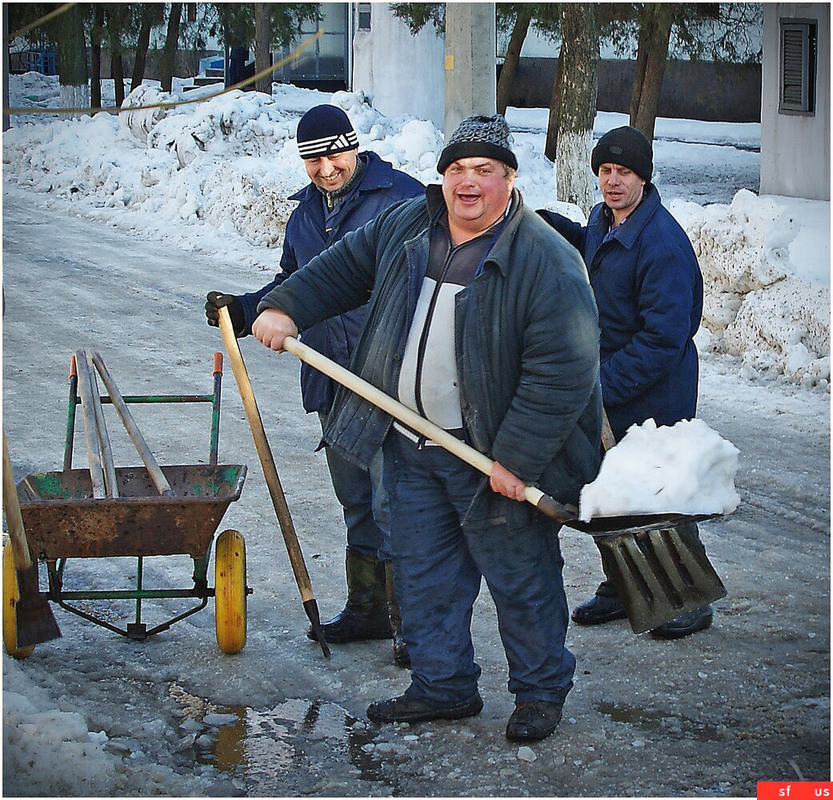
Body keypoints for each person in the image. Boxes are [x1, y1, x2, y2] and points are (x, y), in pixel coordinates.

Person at [249, 114, 603, 743]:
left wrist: (516, 457)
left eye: (484, 171)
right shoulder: (410, 222)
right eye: (457, 169)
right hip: (410, 439)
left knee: (520, 576)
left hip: (486, 451)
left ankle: (539, 692)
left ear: (510, 178)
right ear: (442, 176)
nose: (468, 183)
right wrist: (284, 306)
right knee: (422, 573)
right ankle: (443, 685)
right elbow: (342, 267)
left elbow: (564, 370)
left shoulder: (545, 258)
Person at [205, 104, 423, 665]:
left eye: (333, 153)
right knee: (355, 500)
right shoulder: (304, 214)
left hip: (386, 378)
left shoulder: (400, 198)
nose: (325, 168)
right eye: (312, 158)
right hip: (327, 372)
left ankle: (413, 626)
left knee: (391, 502)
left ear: (354, 147)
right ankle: (367, 607)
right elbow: (294, 283)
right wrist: (248, 307)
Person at [537, 125, 713, 639]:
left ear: (644, 177)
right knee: (610, 490)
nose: (613, 182)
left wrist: (598, 386)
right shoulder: (604, 220)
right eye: (606, 171)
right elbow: (591, 246)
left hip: (654, 387)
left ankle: (689, 599)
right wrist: (543, 224)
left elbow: (663, 340)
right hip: (611, 380)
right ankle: (621, 585)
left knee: (658, 492)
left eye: (625, 173)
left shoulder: (662, 244)